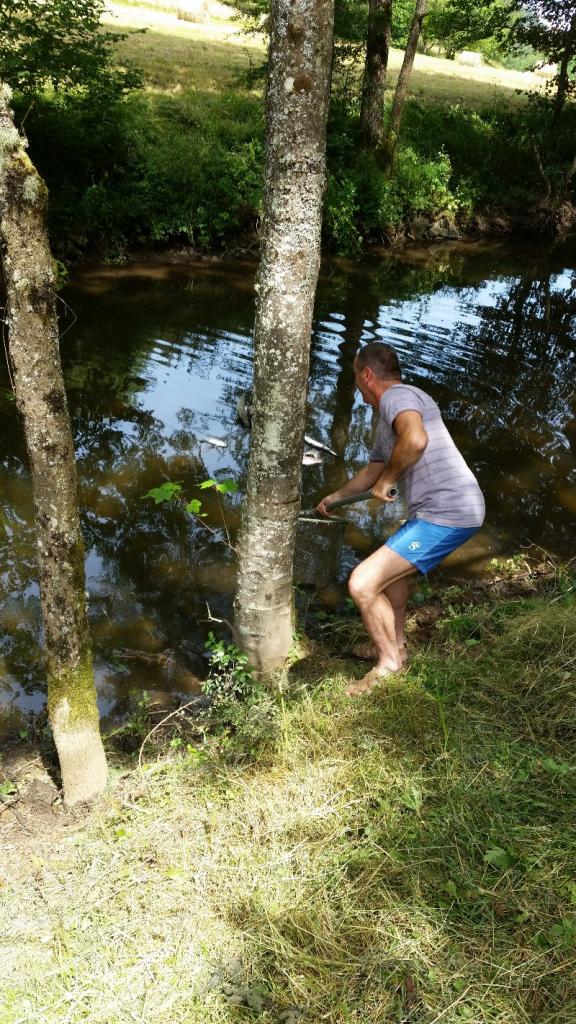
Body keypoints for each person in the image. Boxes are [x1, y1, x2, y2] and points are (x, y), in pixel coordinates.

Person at [316, 342, 485, 697]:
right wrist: (336, 499)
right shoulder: (388, 415)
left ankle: (390, 665)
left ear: (367, 374)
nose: (357, 386)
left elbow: (416, 439)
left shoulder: (398, 396)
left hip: (448, 512)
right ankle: (397, 646)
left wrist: (389, 481)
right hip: (441, 510)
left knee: (362, 583)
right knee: (393, 579)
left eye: (356, 378)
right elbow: (372, 471)